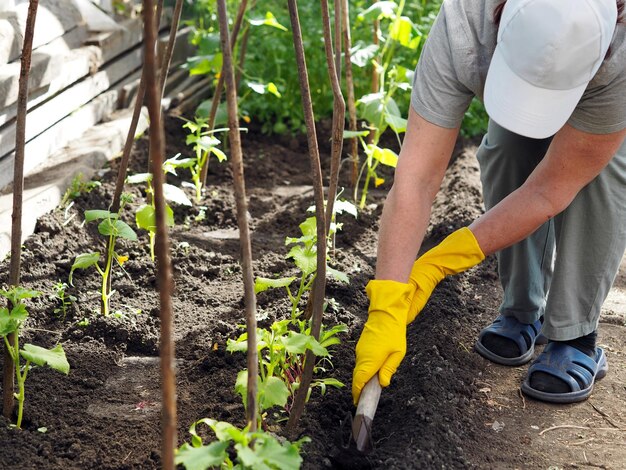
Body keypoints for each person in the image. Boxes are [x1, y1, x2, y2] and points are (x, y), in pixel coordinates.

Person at [352, 0, 626, 406]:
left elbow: (550, 190)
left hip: (603, 95)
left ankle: (574, 333)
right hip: (503, 52)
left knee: (599, 177)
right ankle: (521, 308)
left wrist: (445, 259)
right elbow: (417, 176)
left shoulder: (620, 54)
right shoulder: (464, 23)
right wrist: (388, 301)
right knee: (507, 151)